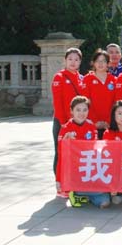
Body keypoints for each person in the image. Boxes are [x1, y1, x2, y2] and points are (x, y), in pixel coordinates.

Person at [57, 96, 110, 209]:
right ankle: (77, 192)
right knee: (100, 191)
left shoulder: (91, 126)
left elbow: (95, 150)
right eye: (78, 110)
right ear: (71, 111)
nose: (82, 113)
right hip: (75, 172)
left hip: (88, 169)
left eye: (85, 110)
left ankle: (84, 196)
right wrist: (59, 180)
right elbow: (61, 157)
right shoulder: (65, 129)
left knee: (106, 200)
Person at [51, 47, 84, 193]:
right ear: (65, 60)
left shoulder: (82, 78)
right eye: (70, 59)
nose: (73, 62)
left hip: (79, 123)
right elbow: (57, 103)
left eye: (76, 59)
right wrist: (64, 124)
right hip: (62, 122)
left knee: (76, 153)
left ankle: (74, 182)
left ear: (80, 62)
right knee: (60, 153)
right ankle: (60, 184)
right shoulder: (59, 77)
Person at [82, 49, 117, 139]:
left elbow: (115, 103)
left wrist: (108, 121)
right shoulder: (87, 79)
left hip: (110, 124)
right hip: (91, 123)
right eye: (98, 61)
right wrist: (95, 121)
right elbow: (86, 102)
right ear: (93, 63)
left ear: (108, 63)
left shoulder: (114, 80)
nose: (100, 64)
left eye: (103, 61)